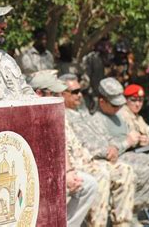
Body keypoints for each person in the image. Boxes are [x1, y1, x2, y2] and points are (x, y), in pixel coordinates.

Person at [69, 76, 149, 212]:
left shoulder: (118, 117)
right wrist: (127, 142)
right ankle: (131, 210)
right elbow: (109, 149)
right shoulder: (97, 120)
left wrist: (140, 140)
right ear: (102, 102)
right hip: (118, 158)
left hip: (131, 153)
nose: (118, 108)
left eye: (119, 104)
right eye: (114, 105)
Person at [60, 73, 135, 226]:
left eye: (80, 91)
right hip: (80, 163)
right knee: (101, 175)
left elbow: (100, 136)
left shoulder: (83, 113)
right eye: (74, 92)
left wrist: (114, 147)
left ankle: (122, 223)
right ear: (62, 94)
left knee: (126, 171)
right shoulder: (62, 115)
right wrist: (106, 151)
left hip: (98, 160)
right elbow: (82, 144)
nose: (79, 95)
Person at [30, 70, 98, 227]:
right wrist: (64, 176)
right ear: (39, 93)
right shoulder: (30, 116)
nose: (60, 97)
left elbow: (62, 146)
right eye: (55, 93)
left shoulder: (53, 112)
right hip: (38, 176)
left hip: (57, 172)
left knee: (88, 184)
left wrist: (68, 172)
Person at [118, 84, 149, 148]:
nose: (137, 104)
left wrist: (148, 140)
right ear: (125, 100)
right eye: (133, 100)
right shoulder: (121, 115)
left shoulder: (139, 118)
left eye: (140, 100)